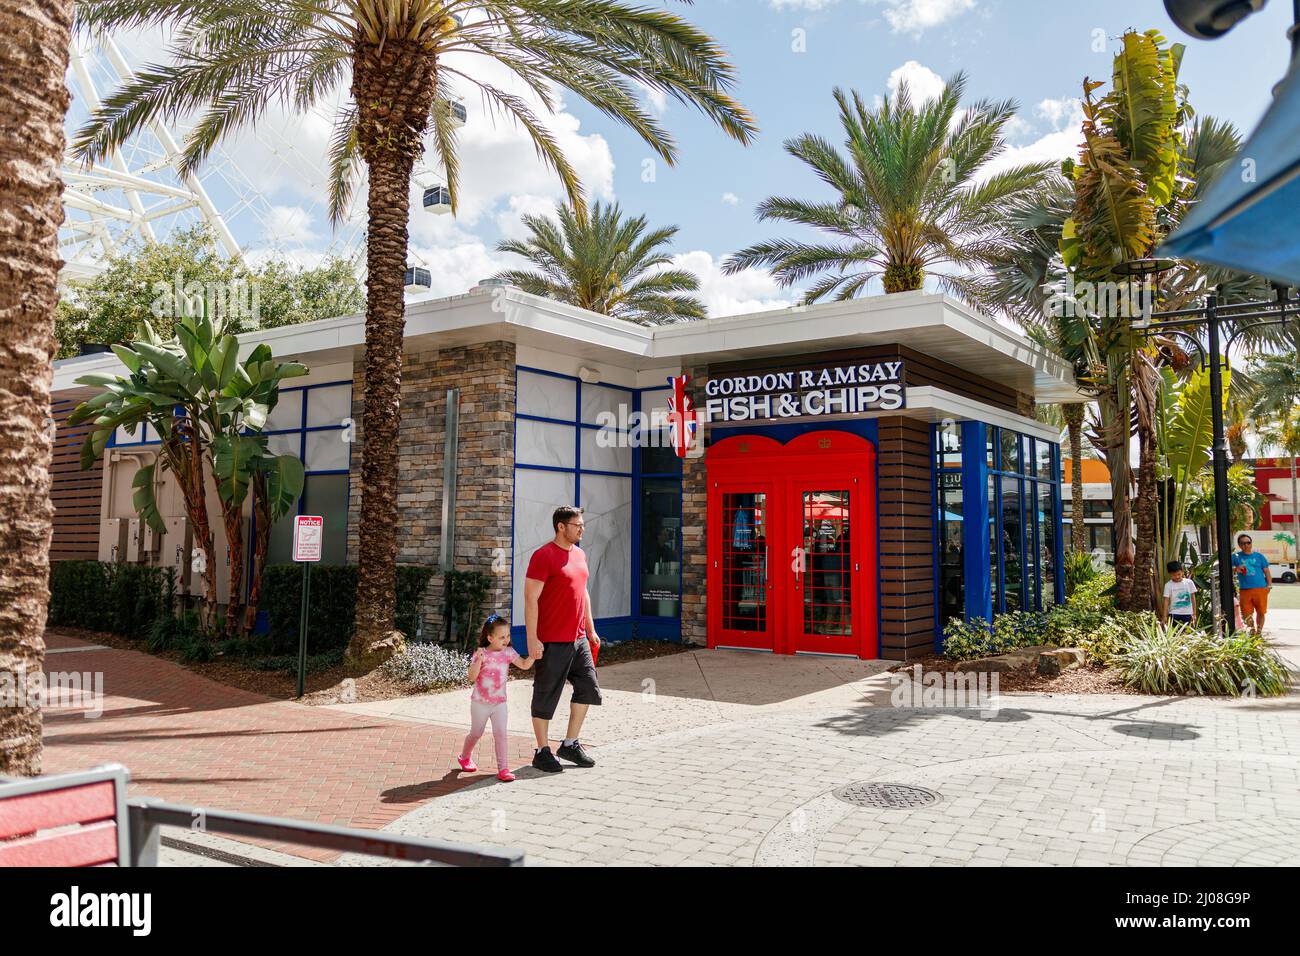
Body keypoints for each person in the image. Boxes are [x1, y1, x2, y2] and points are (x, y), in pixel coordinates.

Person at [524, 505, 602, 773]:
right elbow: (530, 599)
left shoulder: (580, 554)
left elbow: (584, 593)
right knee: (546, 695)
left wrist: (590, 629)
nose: (582, 529)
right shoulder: (543, 556)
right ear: (561, 526)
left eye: (582, 524)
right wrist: (532, 639)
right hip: (552, 640)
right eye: (577, 525)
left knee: (589, 689)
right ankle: (542, 750)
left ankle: (570, 744)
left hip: (578, 639)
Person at [458, 614, 534, 782]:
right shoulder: (481, 653)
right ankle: (464, 756)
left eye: (508, 636)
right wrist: (478, 660)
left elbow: (524, 665)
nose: (506, 640)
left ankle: (503, 769)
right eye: (501, 637)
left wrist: (533, 655)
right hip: (480, 703)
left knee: (501, 734)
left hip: (500, 704)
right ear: (490, 637)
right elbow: (471, 677)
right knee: (476, 733)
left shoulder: (508, 652)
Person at [1233, 534, 1272, 634]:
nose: (1246, 545)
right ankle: (1252, 631)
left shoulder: (1259, 556)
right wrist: (1236, 569)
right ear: (1239, 545)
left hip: (1260, 588)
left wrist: (1269, 585)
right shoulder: (1235, 557)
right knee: (1246, 613)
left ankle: (1259, 632)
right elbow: (1225, 568)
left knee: (1261, 612)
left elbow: (1266, 571)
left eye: (1248, 543)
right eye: (1243, 543)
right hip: (1244, 589)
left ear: (1251, 543)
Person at [1162, 560, 1197, 628]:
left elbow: (1193, 598)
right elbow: (1166, 601)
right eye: (1174, 575)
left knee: (1188, 634)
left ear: (1182, 571)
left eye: (1179, 574)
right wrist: (1164, 616)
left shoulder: (1189, 583)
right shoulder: (1168, 585)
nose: (1177, 577)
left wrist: (1194, 614)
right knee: (1175, 635)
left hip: (1188, 614)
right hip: (1174, 614)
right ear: (1169, 574)